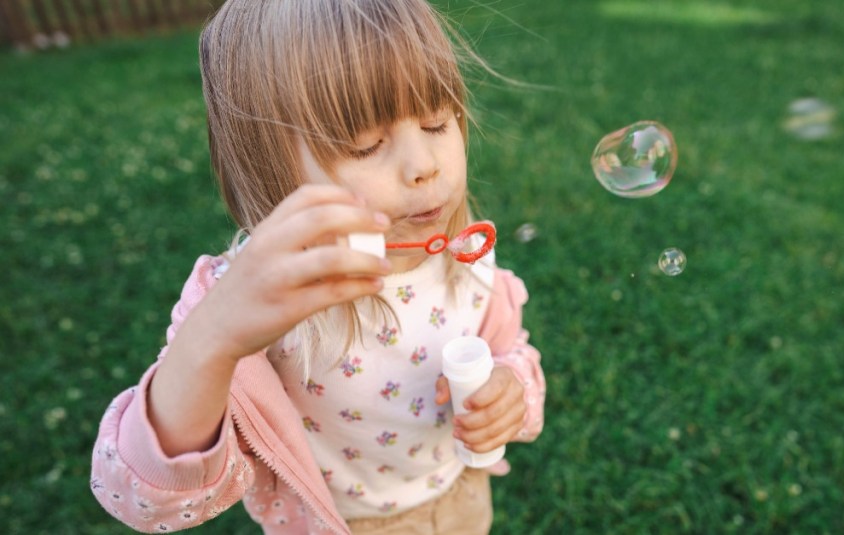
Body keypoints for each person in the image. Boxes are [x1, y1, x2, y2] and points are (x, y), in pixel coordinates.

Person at [89, 1, 545, 533]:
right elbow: (144, 500)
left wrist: (511, 385)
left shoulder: (462, 258)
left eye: (436, 121)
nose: (423, 165)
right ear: (270, 170)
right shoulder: (257, 303)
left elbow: (511, 349)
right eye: (365, 144)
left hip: (462, 499)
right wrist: (214, 336)